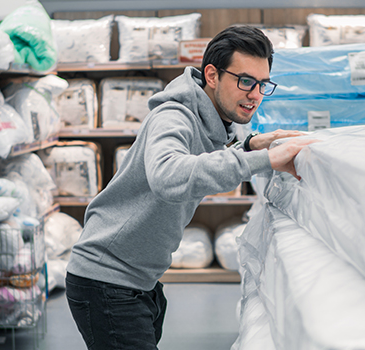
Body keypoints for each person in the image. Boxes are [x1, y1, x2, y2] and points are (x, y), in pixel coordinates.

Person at [66, 25, 318, 349]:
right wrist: (265, 160)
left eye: (262, 84)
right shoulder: (174, 115)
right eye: (245, 81)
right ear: (211, 75)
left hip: (142, 281)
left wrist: (252, 146)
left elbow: (209, 154)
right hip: (107, 279)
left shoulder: (211, 118)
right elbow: (169, 176)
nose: (255, 95)